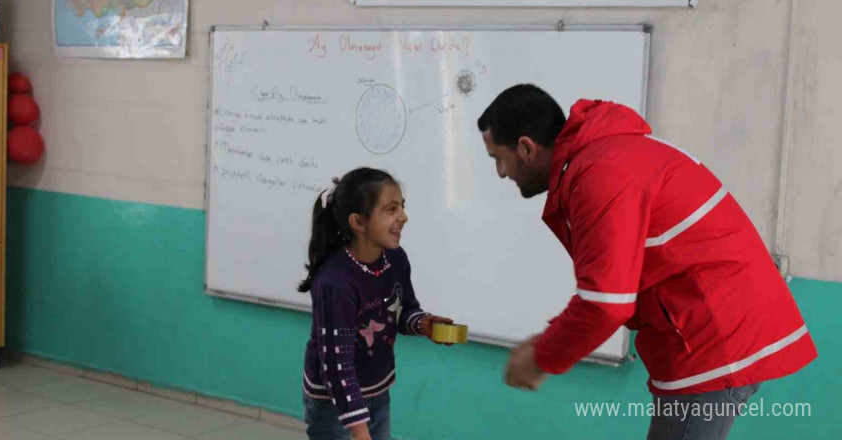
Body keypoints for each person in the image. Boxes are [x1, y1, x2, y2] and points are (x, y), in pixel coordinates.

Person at [478, 84, 817, 439]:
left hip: (711, 340)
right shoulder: (605, 158)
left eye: (497, 158)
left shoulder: (600, 172)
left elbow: (607, 303)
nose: (501, 172)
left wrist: (541, 359)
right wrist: (550, 340)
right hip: (701, 333)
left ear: (526, 147)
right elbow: (612, 285)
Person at [299, 167, 454, 440]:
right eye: (391, 209)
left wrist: (423, 323)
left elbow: (403, 309)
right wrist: (360, 432)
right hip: (333, 401)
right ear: (358, 222)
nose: (403, 217)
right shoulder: (336, 283)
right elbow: (337, 367)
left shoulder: (395, 259)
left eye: (402, 207)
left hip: (376, 391)